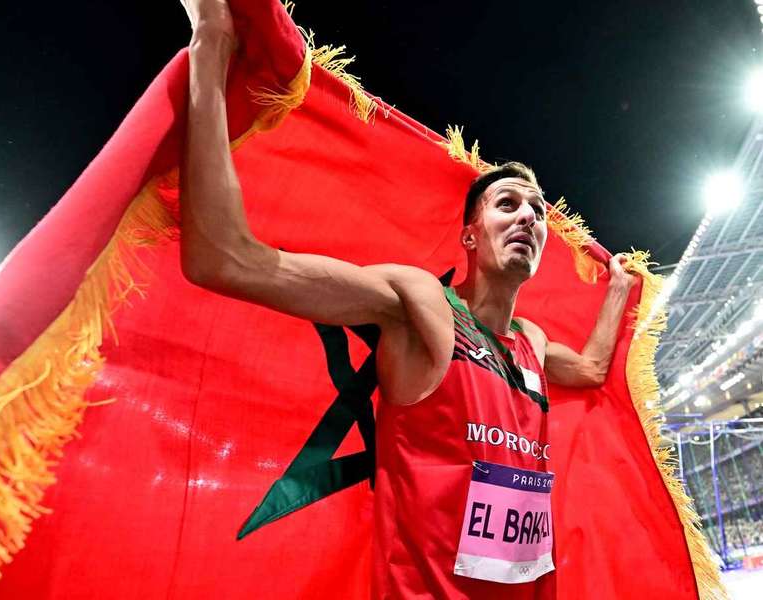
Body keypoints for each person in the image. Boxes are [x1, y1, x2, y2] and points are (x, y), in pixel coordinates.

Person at [178, 0, 636, 598]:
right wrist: (211, 44)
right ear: (469, 236)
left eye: (537, 210)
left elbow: (596, 369)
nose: (527, 215)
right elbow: (225, 258)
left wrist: (620, 291)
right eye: (507, 204)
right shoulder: (421, 303)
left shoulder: (532, 342)